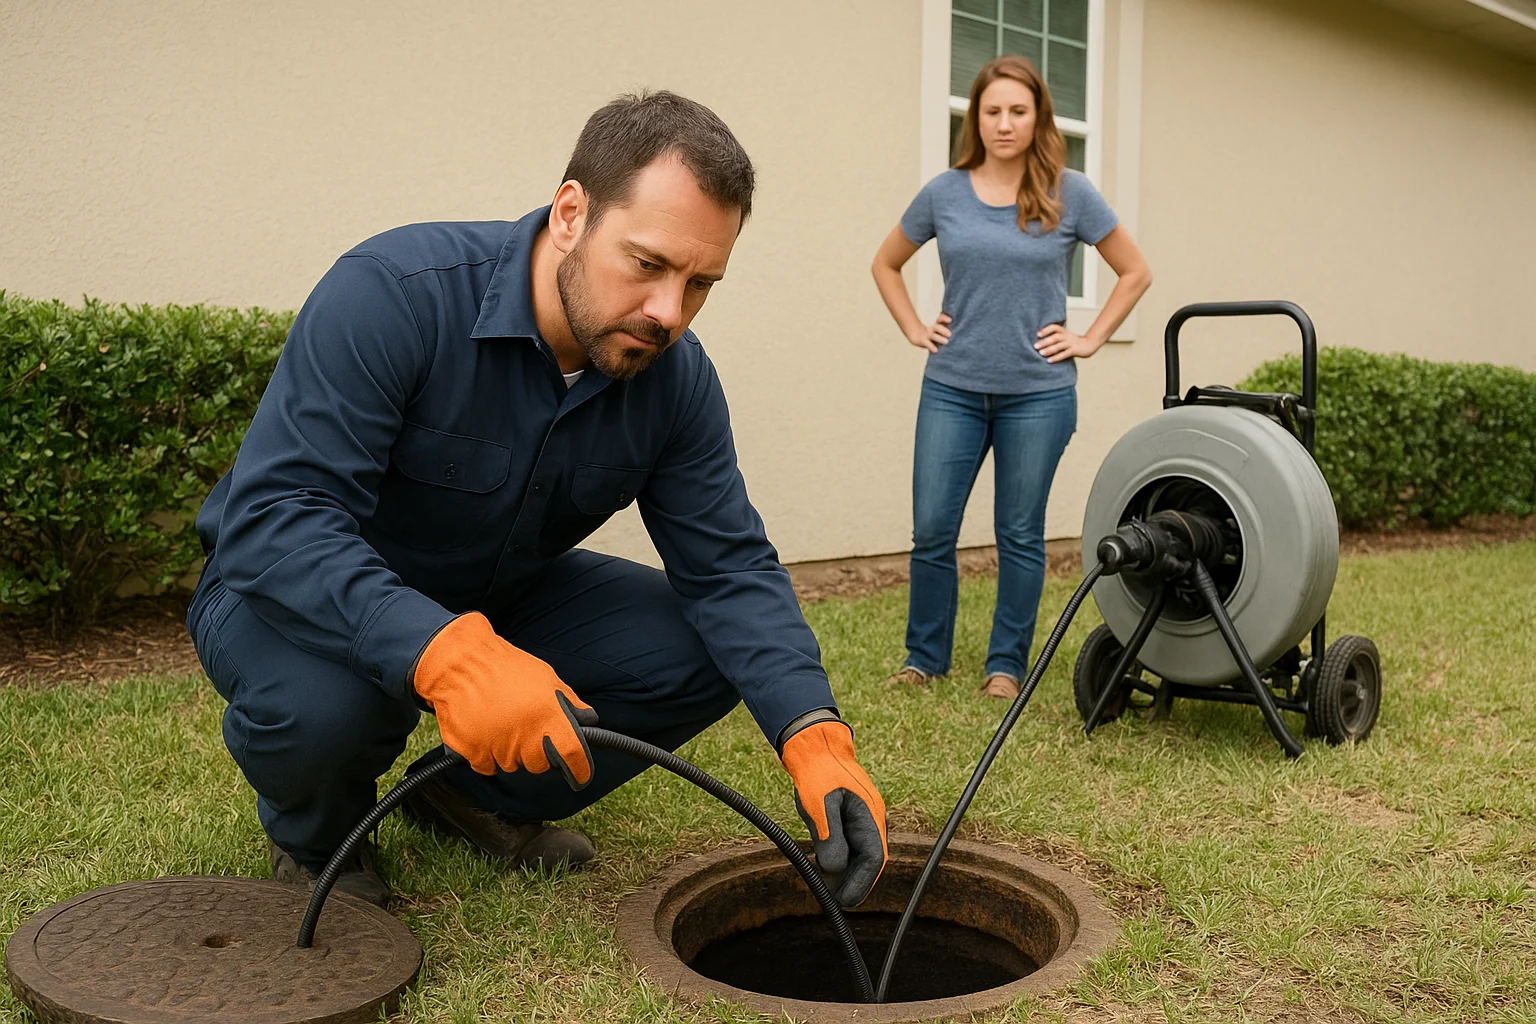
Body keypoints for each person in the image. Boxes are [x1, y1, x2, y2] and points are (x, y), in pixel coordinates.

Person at [186, 90, 886, 910]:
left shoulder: (674, 379)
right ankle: (318, 837)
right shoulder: (393, 295)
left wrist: (814, 735)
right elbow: (276, 520)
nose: (669, 312)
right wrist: (447, 655)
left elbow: (728, 567)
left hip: (492, 590)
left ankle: (467, 797)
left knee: (702, 648)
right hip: (284, 590)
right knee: (330, 708)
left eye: (701, 283)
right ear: (570, 213)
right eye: (649, 264)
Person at [871, 56, 1151, 700]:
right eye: (992, 111)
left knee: (1019, 533)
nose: (1004, 123)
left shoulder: (1070, 192)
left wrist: (1089, 337)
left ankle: (1006, 665)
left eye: (1017, 111)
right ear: (976, 117)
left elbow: (1134, 271)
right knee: (934, 529)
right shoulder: (944, 192)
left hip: (1039, 395)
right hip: (952, 388)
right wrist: (916, 326)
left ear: (1038, 117)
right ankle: (924, 657)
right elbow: (886, 264)